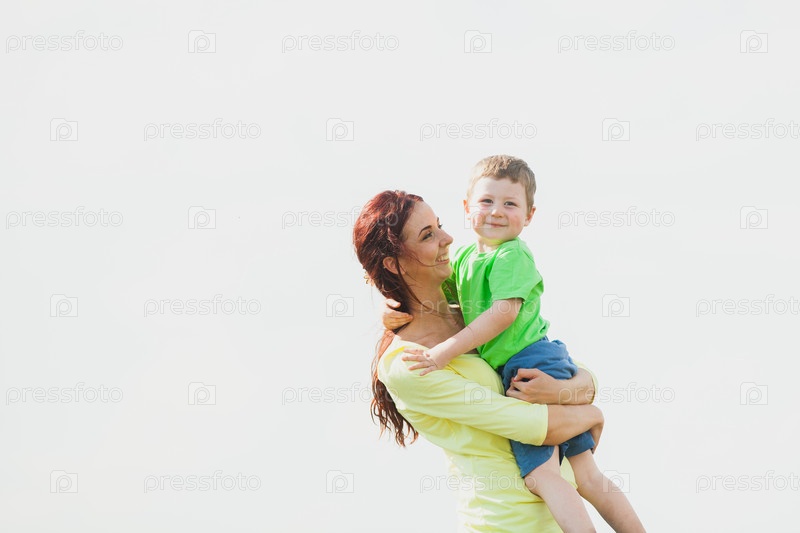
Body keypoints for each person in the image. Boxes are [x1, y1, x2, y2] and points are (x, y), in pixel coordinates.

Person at [397, 156, 645, 532]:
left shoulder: (511, 254)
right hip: (543, 359)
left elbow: (503, 314)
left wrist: (443, 352)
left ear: (529, 216)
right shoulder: (465, 258)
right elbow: (437, 298)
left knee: (543, 477)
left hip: (531, 361)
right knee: (587, 476)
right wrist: (393, 308)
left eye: (510, 204)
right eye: (486, 201)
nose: (497, 211)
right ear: (466, 207)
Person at [353, 189, 606, 532]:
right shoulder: (406, 364)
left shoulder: (475, 313)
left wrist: (569, 389)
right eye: (427, 235)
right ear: (394, 265)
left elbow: (565, 366)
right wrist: (591, 412)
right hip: (505, 524)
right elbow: (536, 426)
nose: (447, 238)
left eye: (439, 225)